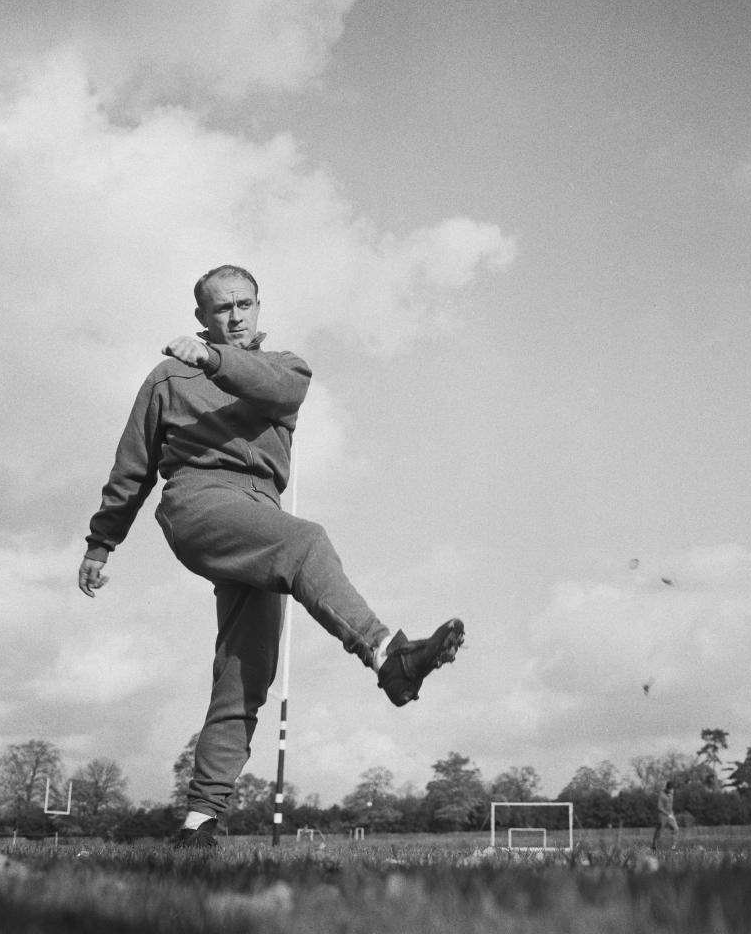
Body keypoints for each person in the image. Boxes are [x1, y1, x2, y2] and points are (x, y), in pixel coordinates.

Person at [78, 264, 465, 848]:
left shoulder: (283, 367)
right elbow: (132, 465)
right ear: (201, 318)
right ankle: (389, 655)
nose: (234, 317)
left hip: (261, 513)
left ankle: (198, 823)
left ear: (259, 307)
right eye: (220, 309)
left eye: (244, 305)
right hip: (200, 501)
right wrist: (101, 542)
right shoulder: (166, 378)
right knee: (305, 540)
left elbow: (281, 391)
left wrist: (212, 362)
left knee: (246, 673)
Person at [651, 779, 679, 850]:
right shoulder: (662, 795)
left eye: (672, 789)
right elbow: (659, 807)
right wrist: (667, 814)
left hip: (670, 814)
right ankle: (654, 846)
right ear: (667, 788)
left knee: (676, 829)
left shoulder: (672, 791)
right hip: (662, 815)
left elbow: (670, 803)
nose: (671, 791)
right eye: (670, 789)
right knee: (659, 831)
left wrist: (671, 814)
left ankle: (674, 847)